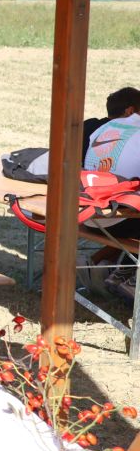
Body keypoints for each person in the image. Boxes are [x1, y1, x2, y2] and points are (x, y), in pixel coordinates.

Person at [82, 86, 140, 301]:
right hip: (115, 217)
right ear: (132, 111)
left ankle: (120, 273)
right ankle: (131, 279)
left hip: (87, 214)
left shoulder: (100, 129)